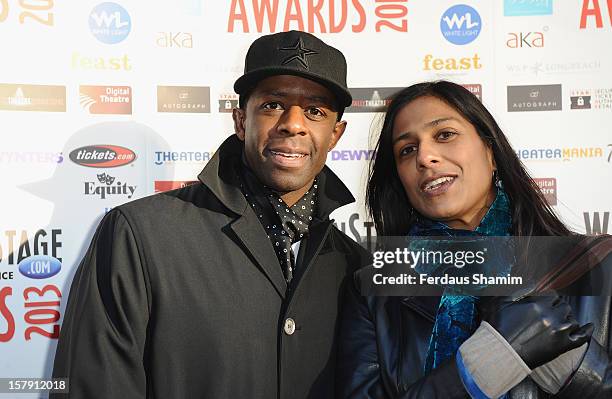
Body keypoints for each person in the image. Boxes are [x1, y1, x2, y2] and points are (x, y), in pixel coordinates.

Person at [51, 30, 369, 399]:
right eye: (272, 104)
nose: (293, 123)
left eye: (315, 111)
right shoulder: (139, 236)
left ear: (335, 135)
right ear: (240, 121)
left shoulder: (355, 266)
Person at [337, 81, 612, 398]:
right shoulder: (373, 294)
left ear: (490, 151)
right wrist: (482, 367)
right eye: (407, 150)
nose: (425, 157)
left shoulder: (597, 265)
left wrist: (570, 365)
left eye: (444, 135)